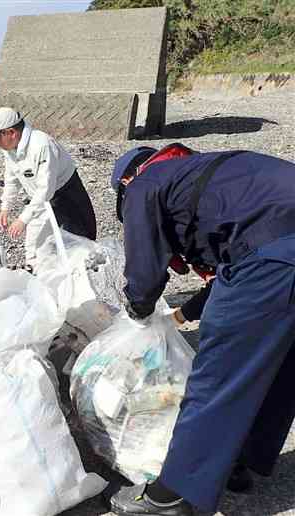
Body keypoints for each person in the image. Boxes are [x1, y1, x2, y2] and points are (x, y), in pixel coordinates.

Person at [108, 144, 295, 516]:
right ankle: (236, 463)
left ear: (128, 180)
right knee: (278, 363)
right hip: (280, 253)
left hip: (275, 258)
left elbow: (144, 276)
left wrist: (137, 312)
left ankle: (172, 496)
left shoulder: (145, 184)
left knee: (218, 375)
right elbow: (244, 255)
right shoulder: (215, 173)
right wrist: (182, 314)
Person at [0, 107, 96, 267]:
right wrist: (5, 207)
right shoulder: (9, 149)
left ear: (11, 132)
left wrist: (22, 219)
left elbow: (45, 189)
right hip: (38, 200)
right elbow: (11, 179)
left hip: (66, 194)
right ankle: (38, 276)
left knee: (80, 244)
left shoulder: (42, 145)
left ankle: (82, 279)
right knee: (33, 247)